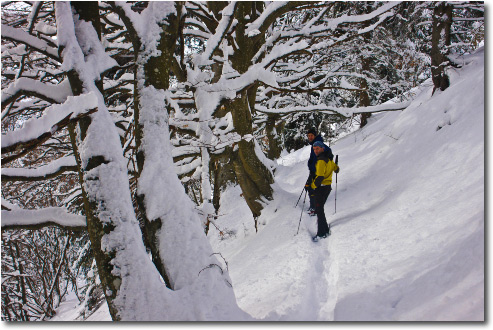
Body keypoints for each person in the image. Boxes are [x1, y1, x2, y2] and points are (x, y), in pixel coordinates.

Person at [309, 141, 339, 241]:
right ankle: (324, 229)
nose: (315, 151)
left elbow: (320, 177)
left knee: (319, 210)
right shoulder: (328, 159)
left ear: (322, 148)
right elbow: (336, 169)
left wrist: (312, 186)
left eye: (317, 148)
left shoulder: (322, 160)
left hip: (321, 188)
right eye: (314, 149)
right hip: (327, 187)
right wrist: (336, 166)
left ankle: (322, 233)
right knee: (320, 209)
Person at [305, 128, 333, 216]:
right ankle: (314, 207)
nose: (310, 137)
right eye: (308, 135)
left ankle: (314, 208)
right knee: (310, 187)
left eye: (311, 135)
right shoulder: (315, 143)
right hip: (313, 170)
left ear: (315, 135)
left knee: (312, 188)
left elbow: (328, 151)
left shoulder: (318, 144)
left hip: (316, 171)